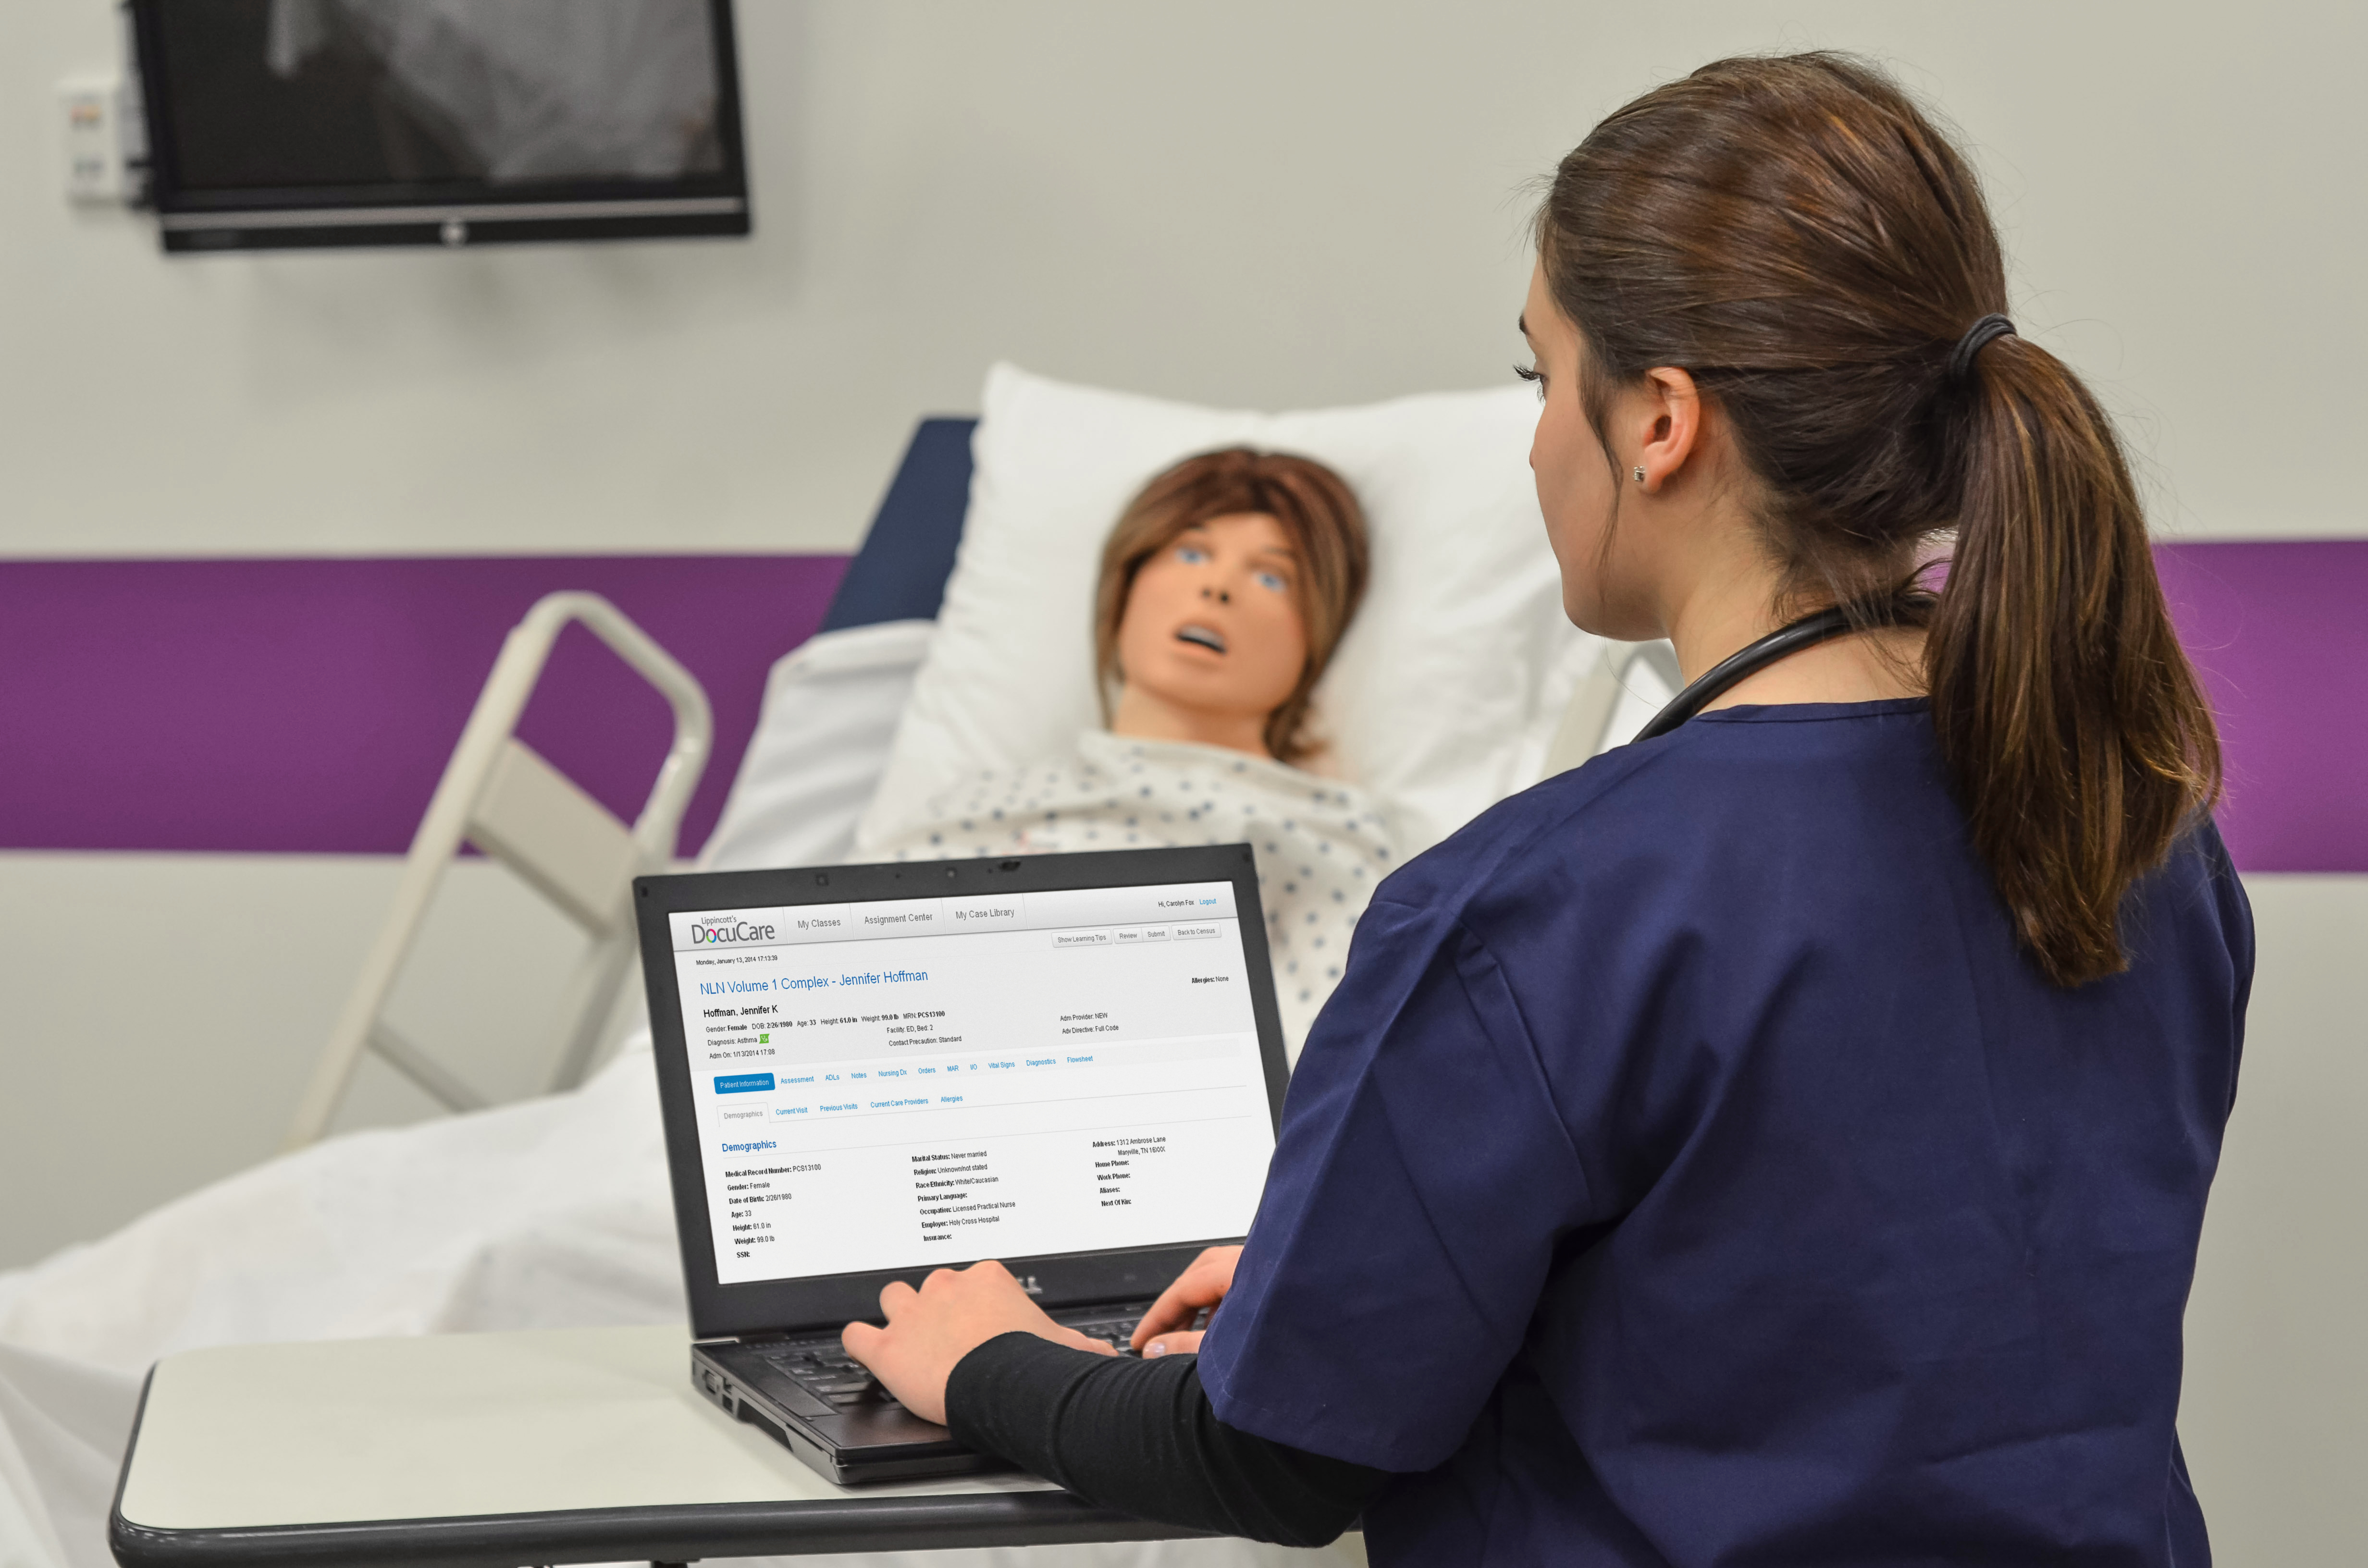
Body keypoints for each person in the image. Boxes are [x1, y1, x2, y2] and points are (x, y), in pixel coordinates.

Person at [838, 52, 2250, 1565]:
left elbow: (1268, 1463)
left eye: (1537, 378)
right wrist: (1351, 1279)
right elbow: (1834, 1316)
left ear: (1656, 422)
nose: (1529, 440)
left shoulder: (1533, 910)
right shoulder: (2139, 828)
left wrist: (984, 1355)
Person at [861, 445, 1398, 1057]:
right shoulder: (973, 807)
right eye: (1190, 553)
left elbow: (1331, 1065)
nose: (1217, 587)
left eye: (1272, 576)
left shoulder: (1324, 836)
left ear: (1319, 636)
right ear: (1124, 586)